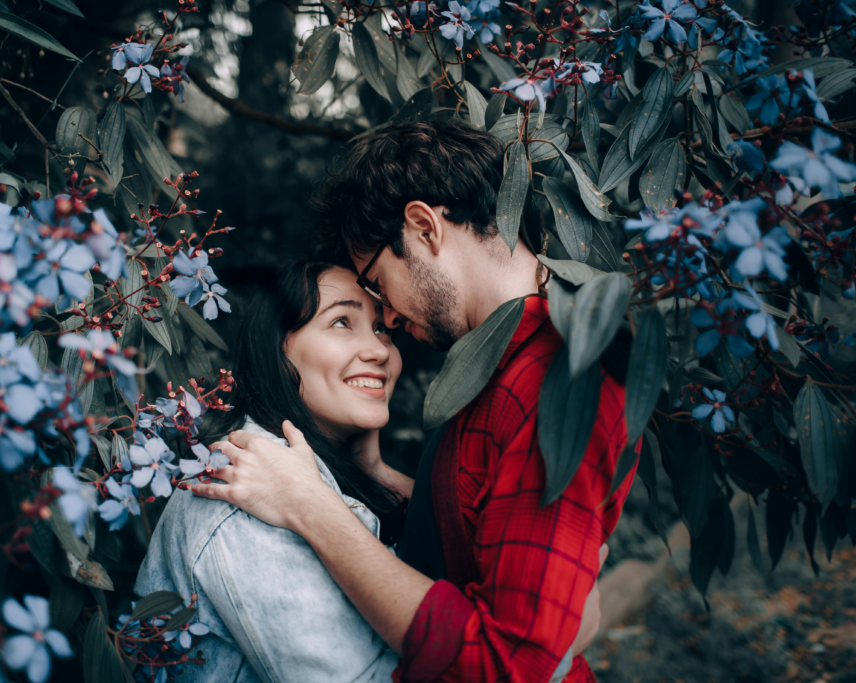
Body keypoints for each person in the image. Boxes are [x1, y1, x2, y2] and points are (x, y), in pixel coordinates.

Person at [189, 119, 635, 683]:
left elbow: (510, 667)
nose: (391, 321)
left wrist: (313, 508)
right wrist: (366, 472)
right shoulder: (491, 371)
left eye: (377, 284)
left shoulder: (557, 379)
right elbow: (471, 533)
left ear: (424, 228)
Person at [135, 258, 604, 682]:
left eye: (383, 330)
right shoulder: (246, 489)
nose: (379, 350)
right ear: (275, 350)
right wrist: (547, 648)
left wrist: (370, 468)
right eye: (342, 321)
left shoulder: (334, 483)